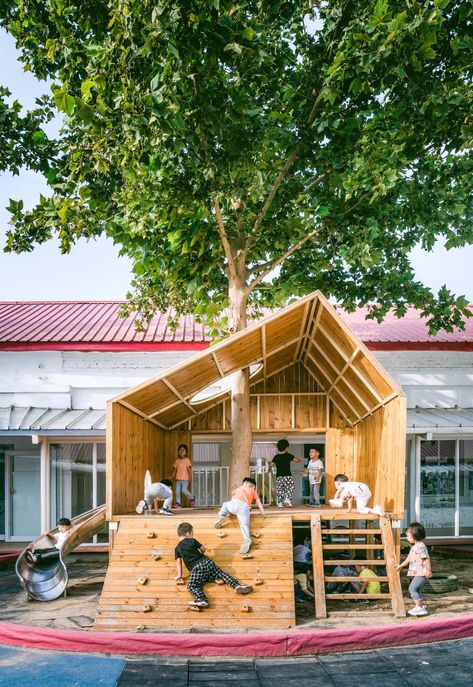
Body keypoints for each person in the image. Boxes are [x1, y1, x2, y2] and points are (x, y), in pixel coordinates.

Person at [175, 522, 253, 608]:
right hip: (207, 562)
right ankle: (237, 585)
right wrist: (201, 554)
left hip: (197, 568)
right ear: (188, 533)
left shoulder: (177, 548)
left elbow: (178, 562)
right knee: (221, 574)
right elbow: (203, 549)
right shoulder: (192, 541)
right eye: (192, 534)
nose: (192, 536)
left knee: (192, 585)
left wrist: (179, 575)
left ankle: (202, 599)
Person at [215, 477, 265, 554]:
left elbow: (233, 498)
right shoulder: (253, 490)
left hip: (234, 504)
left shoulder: (239, 488)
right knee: (244, 526)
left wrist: (231, 511)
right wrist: (262, 512)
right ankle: (247, 540)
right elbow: (258, 502)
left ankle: (221, 517)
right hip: (244, 507)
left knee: (225, 504)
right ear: (253, 486)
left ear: (244, 484)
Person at [395, 521, 432, 617]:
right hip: (417, 572)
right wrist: (400, 566)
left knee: (412, 588)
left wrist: (428, 570)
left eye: (408, 535)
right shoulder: (414, 547)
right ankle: (420, 607)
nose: (407, 538)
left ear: (415, 535)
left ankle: (419, 607)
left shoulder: (421, 546)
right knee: (417, 589)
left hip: (422, 572)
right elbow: (408, 559)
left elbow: (426, 558)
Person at [268, 439, 302, 508]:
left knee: (280, 489)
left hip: (279, 477)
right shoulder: (288, 455)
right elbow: (296, 460)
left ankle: (280, 503)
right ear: (286, 448)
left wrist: (269, 469)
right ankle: (287, 499)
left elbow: (271, 464)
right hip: (288, 476)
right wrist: (300, 459)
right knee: (290, 487)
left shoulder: (276, 457)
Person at [172, 443, 196, 508]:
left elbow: (189, 469)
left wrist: (190, 477)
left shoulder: (187, 460)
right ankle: (178, 504)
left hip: (185, 479)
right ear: (178, 451)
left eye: (183, 450)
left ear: (186, 452)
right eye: (180, 450)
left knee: (184, 490)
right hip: (178, 479)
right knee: (177, 492)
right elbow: (175, 470)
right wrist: (172, 476)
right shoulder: (177, 461)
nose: (181, 451)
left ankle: (192, 498)